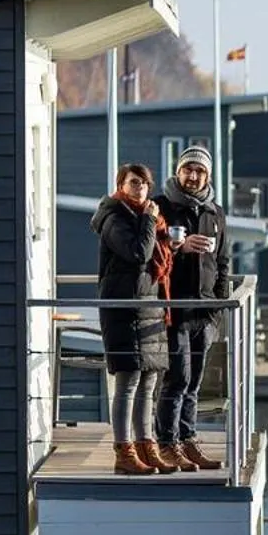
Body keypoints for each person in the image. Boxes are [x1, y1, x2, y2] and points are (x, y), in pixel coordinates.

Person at [91, 164, 176, 475]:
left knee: (149, 380)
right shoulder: (114, 217)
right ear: (121, 184)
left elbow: (154, 254)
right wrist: (151, 221)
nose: (140, 188)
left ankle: (146, 446)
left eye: (144, 183)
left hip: (150, 304)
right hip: (124, 307)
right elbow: (138, 253)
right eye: (134, 182)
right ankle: (124, 451)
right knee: (128, 381)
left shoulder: (144, 217)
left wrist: (170, 243)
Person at [154, 145, 228, 470]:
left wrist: (218, 308)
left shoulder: (215, 212)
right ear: (178, 171)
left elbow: (223, 262)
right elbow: (149, 253)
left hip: (205, 312)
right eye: (188, 169)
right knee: (177, 378)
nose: (193, 176)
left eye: (200, 171)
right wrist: (178, 247)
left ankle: (187, 440)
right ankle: (167, 443)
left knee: (195, 381)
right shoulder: (160, 207)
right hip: (173, 309)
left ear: (208, 176)